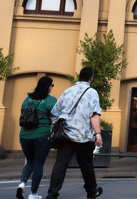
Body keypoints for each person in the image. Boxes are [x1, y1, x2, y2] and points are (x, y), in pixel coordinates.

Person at [45, 67, 103, 199]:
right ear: (91, 78)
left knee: (60, 165)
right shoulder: (92, 93)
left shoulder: (67, 91)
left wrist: (56, 125)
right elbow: (94, 115)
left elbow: (54, 112)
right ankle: (92, 192)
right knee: (87, 166)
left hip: (66, 135)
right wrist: (98, 134)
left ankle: (52, 194)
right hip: (84, 137)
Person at [17, 76, 57, 199]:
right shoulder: (51, 100)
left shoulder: (27, 99)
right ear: (47, 86)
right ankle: (33, 194)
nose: (52, 87)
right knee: (38, 164)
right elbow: (54, 120)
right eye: (52, 85)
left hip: (24, 135)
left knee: (29, 161)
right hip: (41, 136)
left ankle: (22, 184)